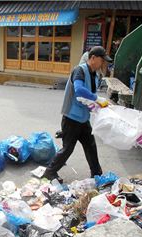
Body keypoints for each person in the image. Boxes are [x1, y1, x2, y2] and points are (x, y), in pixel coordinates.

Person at [43, 46, 112, 182]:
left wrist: (97, 107)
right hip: (71, 118)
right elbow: (79, 90)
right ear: (93, 58)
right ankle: (49, 172)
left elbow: (87, 98)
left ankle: (96, 174)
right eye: (101, 60)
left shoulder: (95, 75)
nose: (103, 63)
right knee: (68, 149)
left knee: (90, 146)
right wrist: (97, 99)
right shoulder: (79, 70)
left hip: (83, 119)